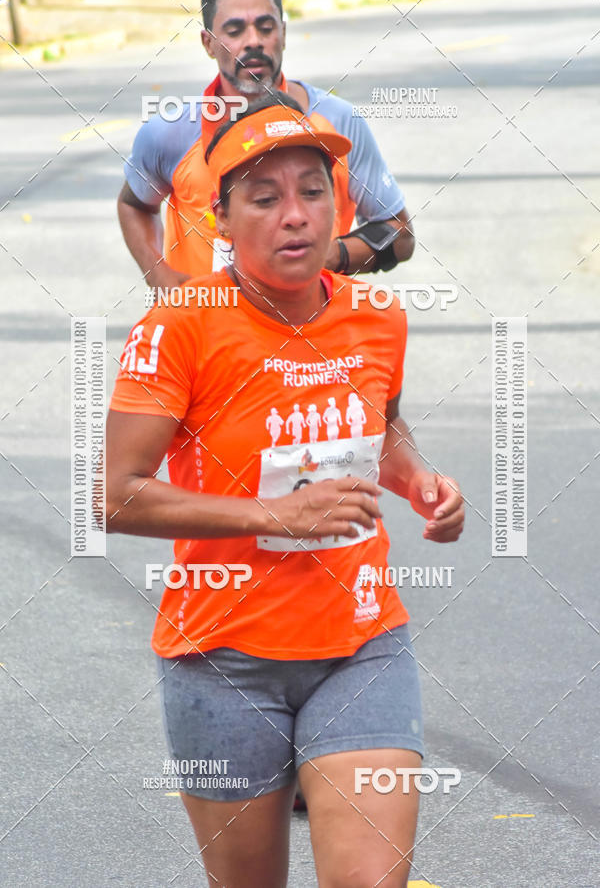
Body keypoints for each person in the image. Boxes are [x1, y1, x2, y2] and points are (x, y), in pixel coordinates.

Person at [106, 95, 464, 888]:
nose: (296, 214)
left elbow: (383, 428)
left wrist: (421, 481)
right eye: (265, 198)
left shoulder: (377, 314)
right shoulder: (179, 326)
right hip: (223, 655)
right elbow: (115, 496)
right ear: (221, 220)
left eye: (314, 190)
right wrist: (274, 514)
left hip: (360, 641)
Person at [117, 0, 415, 289]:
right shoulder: (171, 132)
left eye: (266, 27)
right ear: (209, 43)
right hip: (207, 331)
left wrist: (332, 256)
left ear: (283, 34)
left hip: (309, 329)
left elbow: (400, 234)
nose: (253, 41)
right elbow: (134, 205)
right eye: (234, 31)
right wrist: (158, 275)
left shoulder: (338, 123)